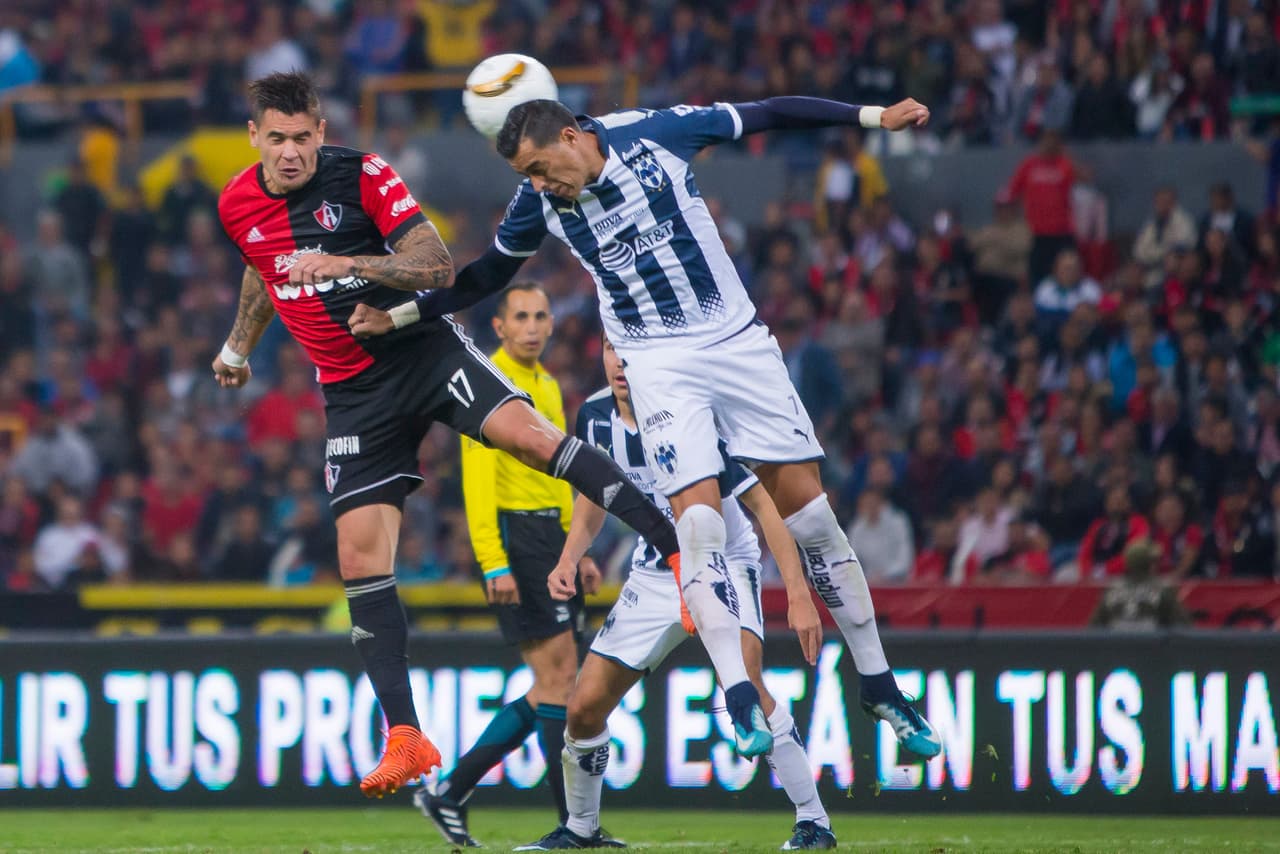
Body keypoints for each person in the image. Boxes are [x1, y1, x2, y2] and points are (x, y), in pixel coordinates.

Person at [353, 93, 942, 790]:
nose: (539, 186)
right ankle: (739, 695)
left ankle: (878, 682)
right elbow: (482, 278)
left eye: (542, 168)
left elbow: (769, 113)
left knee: (813, 518)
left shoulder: (657, 134)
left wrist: (874, 118)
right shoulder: (540, 202)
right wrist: (400, 314)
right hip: (655, 360)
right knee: (696, 523)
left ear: (573, 138)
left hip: (735, 339)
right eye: (528, 176)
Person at [212, 72, 686, 800]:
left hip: (422, 351)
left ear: (321, 132)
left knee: (530, 437)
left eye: (303, 138)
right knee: (358, 555)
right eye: (276, 139)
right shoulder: (237, 203)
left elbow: (435, 265)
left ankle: (679, 553)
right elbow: (260, 270)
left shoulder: (363, 175)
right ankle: (405, 737)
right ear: (254, 138)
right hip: (353, 393)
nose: (290, 153)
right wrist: (239, 349)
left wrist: (345, 263)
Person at [524, 336, 833, 850]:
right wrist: (569, 556)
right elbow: (593, 498)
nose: (620, 363)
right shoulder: (595, 417)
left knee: (749, 687)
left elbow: (763, 507)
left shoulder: (686, 413)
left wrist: (798, 593)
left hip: (724, 561)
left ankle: (814, 821)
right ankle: (581, 829)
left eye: (628, 350)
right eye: (609, 349)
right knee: (583, 708)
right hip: (656, 568)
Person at [417, 282, 593, 841]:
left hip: (551, 539)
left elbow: (561, 472)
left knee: (556, 684)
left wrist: (576, 547)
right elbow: (479, 480)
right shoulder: (488, 383)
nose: (535, 326)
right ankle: (571, 823)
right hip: (518, 540)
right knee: (558, 681)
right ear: (499, 327)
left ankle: (450, 791)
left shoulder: (545, 383)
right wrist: (493, 561)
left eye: (542, 315)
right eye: (522, 316)